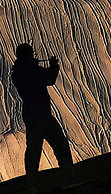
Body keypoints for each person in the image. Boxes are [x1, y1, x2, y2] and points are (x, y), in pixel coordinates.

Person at [11, 43, 73, 176]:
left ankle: (32, 178)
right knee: (59, 144)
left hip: (31, 114)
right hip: (41, 114)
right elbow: (49, 79)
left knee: (34, 148)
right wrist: (54, 66)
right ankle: (68, 173)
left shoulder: (18, 72)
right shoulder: (29, 71)